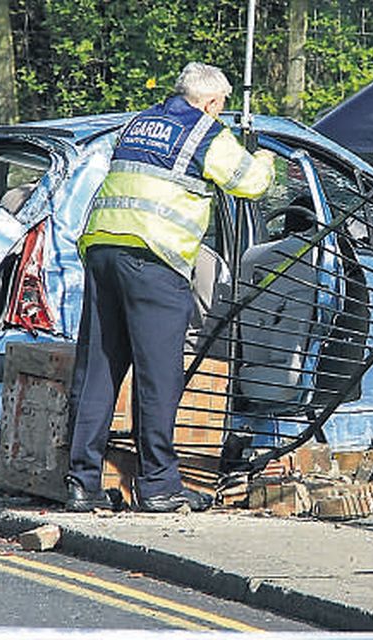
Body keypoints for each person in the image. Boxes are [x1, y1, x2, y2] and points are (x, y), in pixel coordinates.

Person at [64, 62, 275, 513]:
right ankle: (159, 485)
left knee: (98, 370)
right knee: (158, 376)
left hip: (103, 248)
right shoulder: (206, 132)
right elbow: (251, 185)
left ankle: (81, 482)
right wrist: (264, 157)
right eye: (219, 108)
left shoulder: (138, 123)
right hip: (153, 259)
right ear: (212, 103)